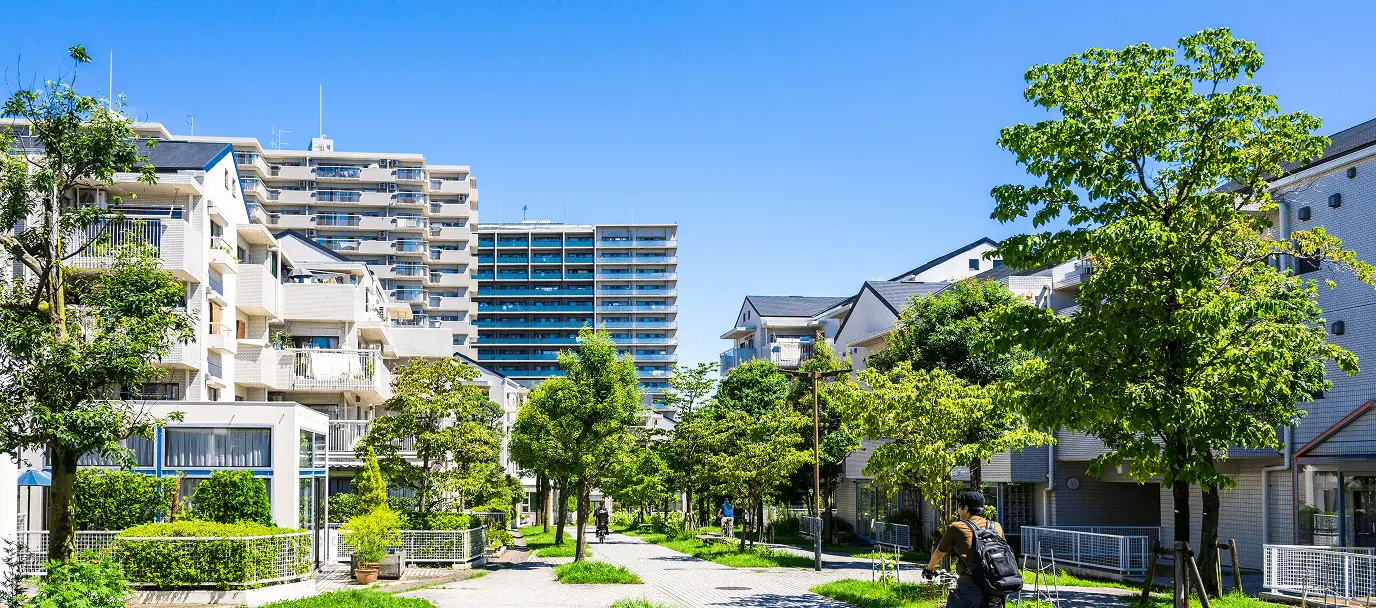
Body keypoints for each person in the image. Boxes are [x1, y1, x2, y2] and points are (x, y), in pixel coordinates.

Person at [924, 491, 1007, 608]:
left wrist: (930, 570)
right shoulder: (996, 526)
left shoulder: (958, 527)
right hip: (997, 587)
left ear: (965, 508)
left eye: (959, 507)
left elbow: (939, 552)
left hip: (971, 588)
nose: (958, 511)